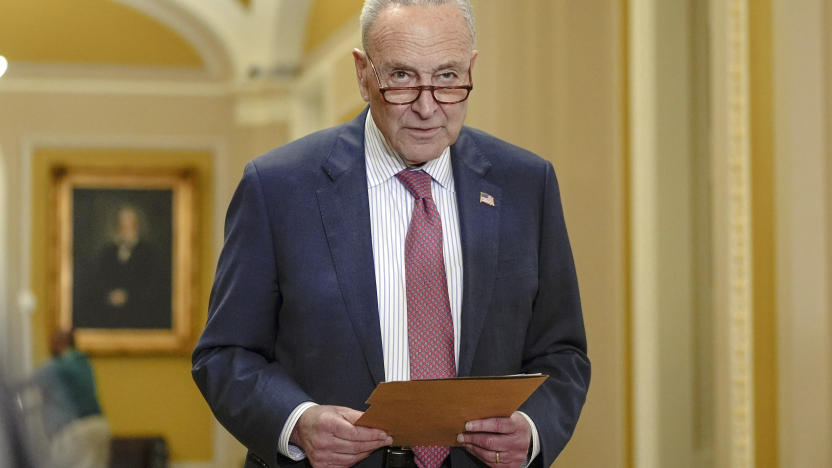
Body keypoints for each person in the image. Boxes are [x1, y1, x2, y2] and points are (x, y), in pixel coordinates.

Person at [192, 1, 590, 467]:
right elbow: (224, 354)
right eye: (401, 77)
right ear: (363, 74)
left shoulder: (526, 184)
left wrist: (532, 428)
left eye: (447, 78)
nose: (427, 107)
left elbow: (562, 352)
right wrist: (297, 422)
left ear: (471, 68)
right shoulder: (278, 187)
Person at [28, 330, 110, 468]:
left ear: (60, 344)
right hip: (99, 426)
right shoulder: (83, 362)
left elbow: (25, 383)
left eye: (53, 343)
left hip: (77, 431)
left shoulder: (60, 365)